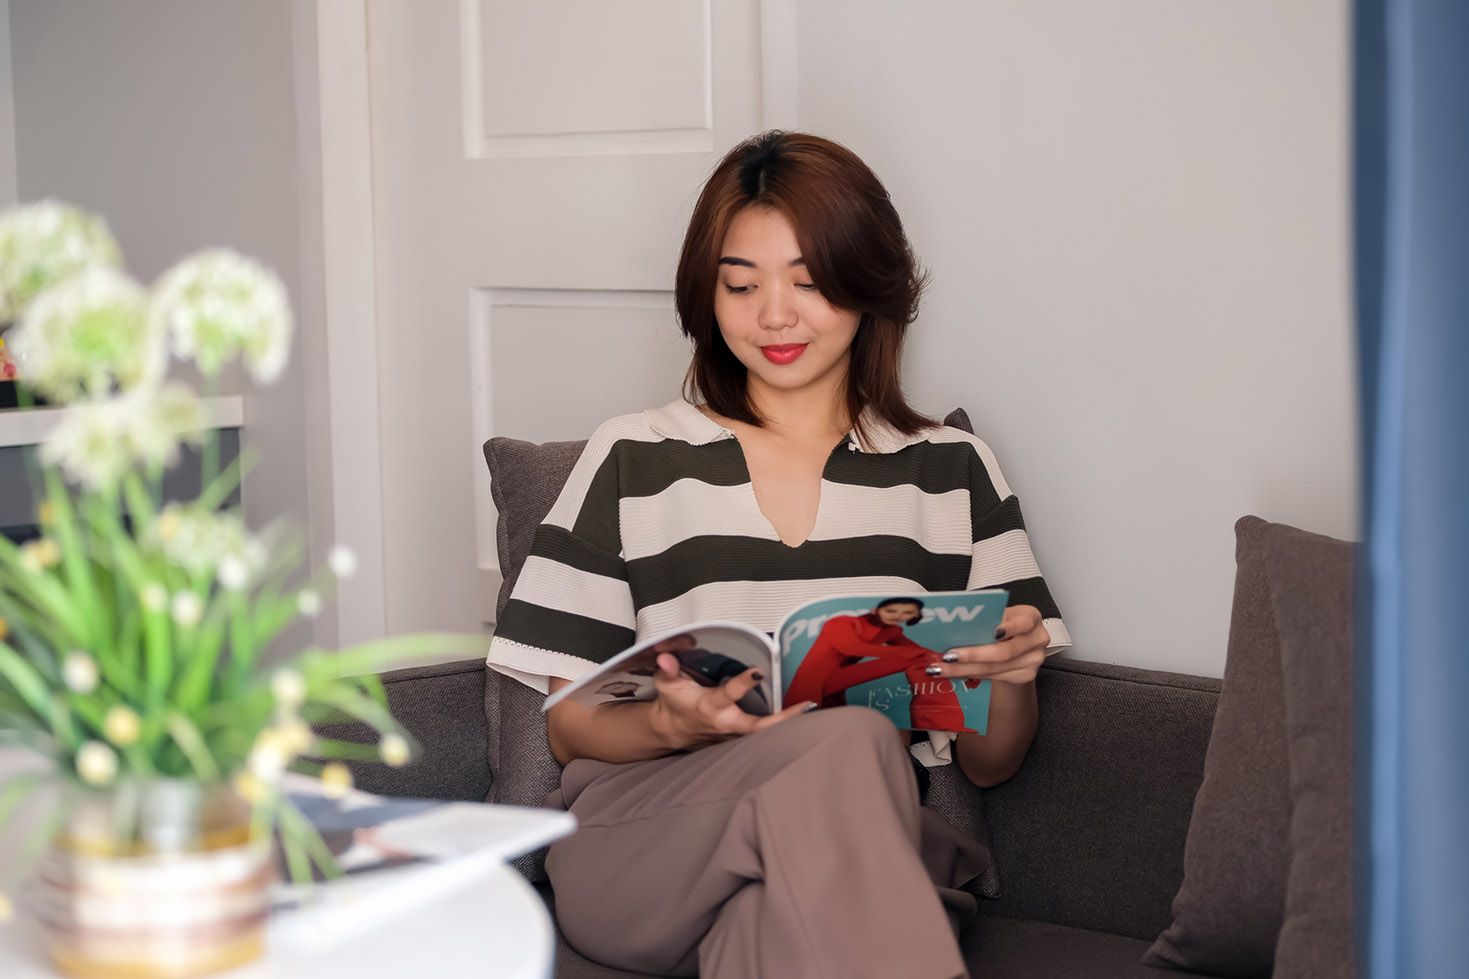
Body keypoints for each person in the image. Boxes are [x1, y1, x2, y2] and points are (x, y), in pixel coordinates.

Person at [486, 130, 1071, 978]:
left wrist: (1006, 683)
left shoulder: (948, 469)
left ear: (866, 285)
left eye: (807, 280)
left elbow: (991, 758)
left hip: (850, 849)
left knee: (814, 843)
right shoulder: (633, 457)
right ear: (706, 293)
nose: (773, 315)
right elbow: (572, 727)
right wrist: (667, 719)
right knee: (851, 741)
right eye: (740, 284)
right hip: (649, 840)